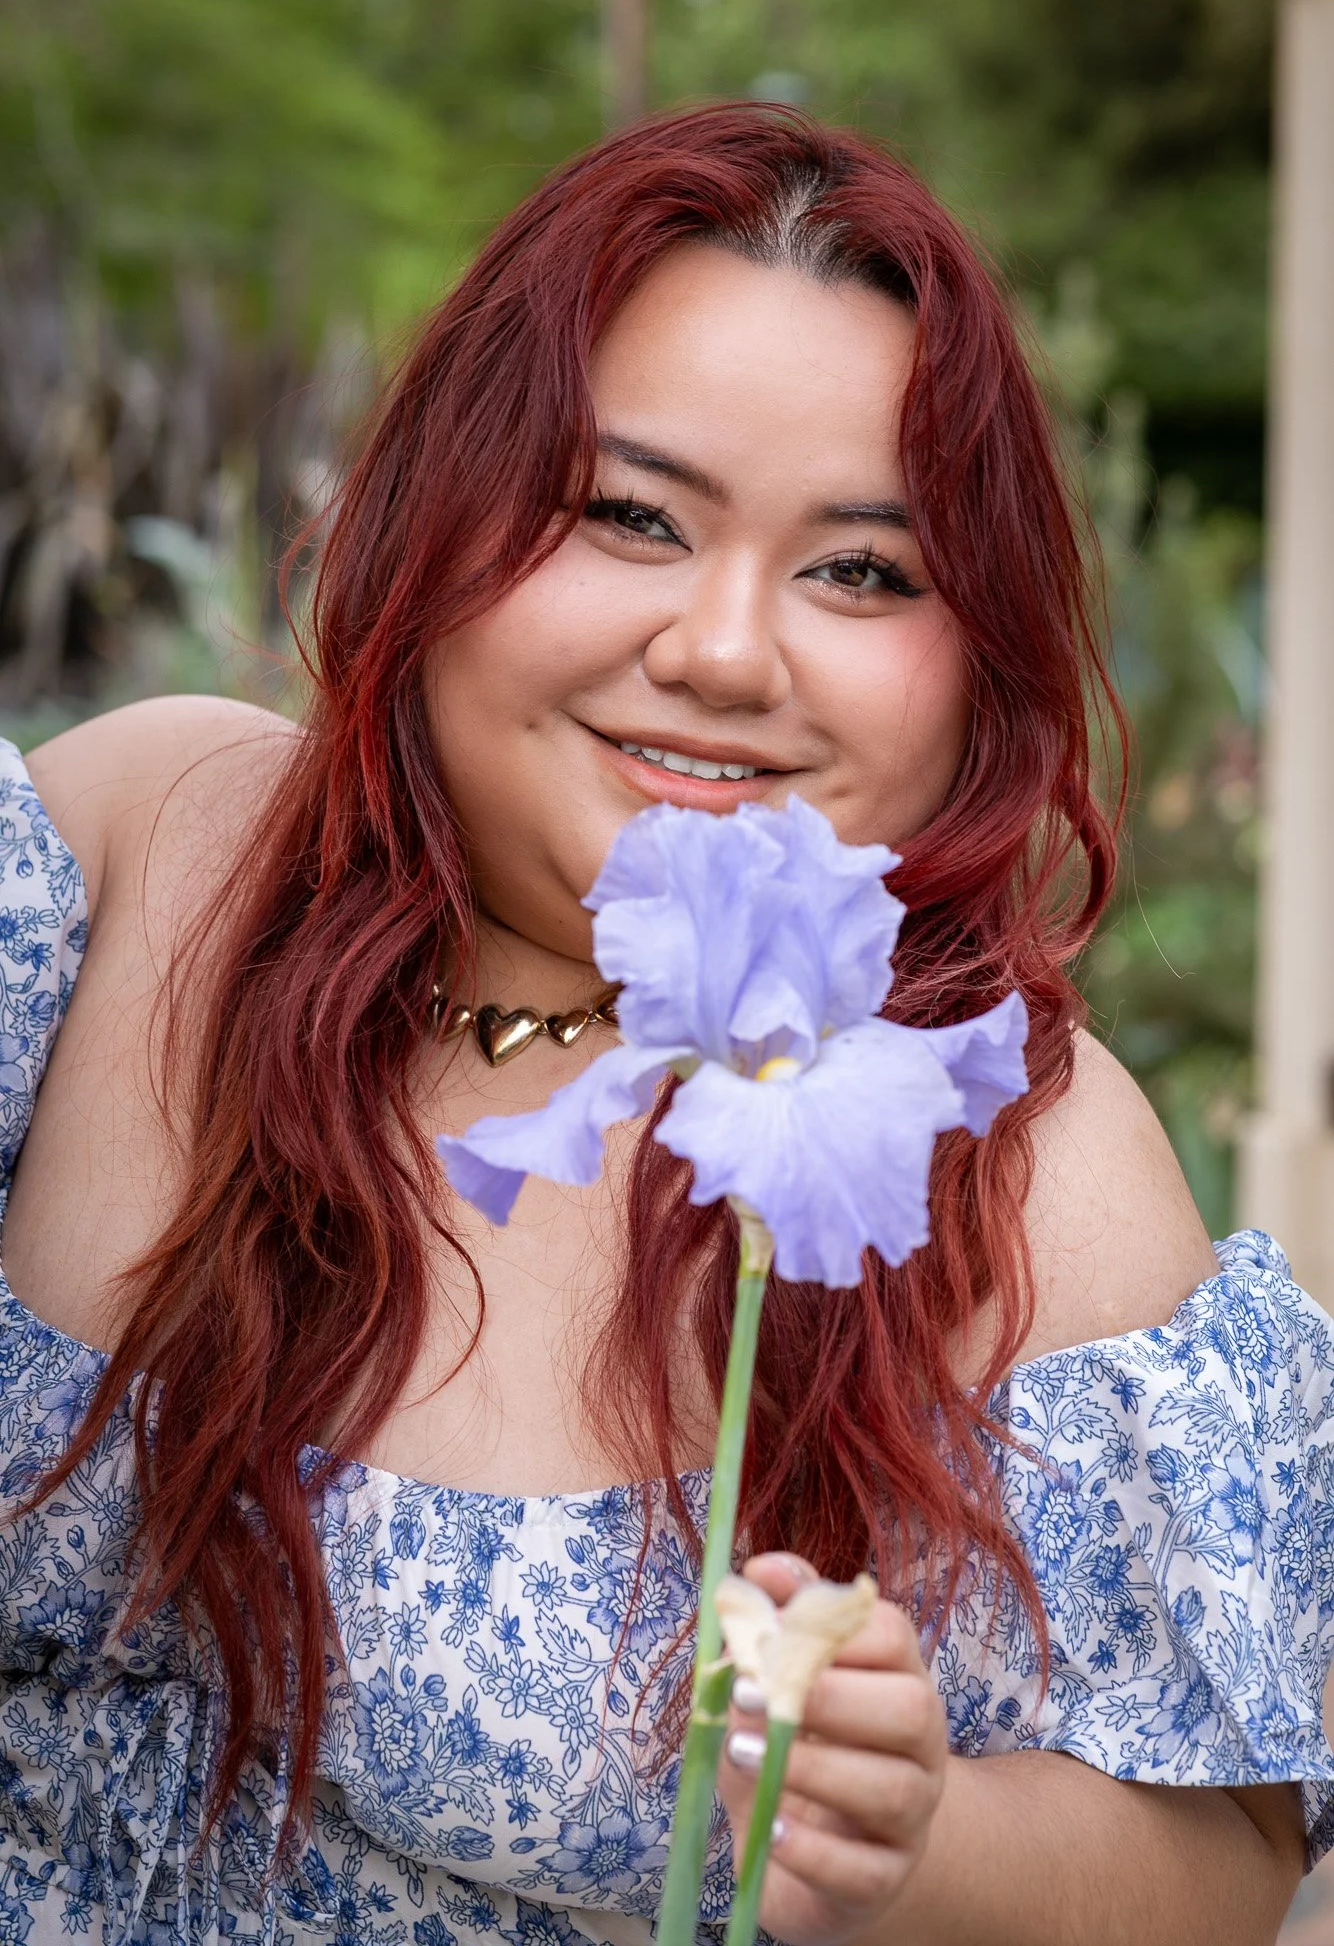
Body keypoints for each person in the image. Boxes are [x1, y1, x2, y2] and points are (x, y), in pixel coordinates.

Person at [0, 103, 1326, 1946]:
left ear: (979, 655)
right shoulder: (150, 840)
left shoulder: (1003, 1135)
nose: (723, 649)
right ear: (440, 520)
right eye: (630, 515)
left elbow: (1217, 1865)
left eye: (861, 570)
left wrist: (909, 1839)